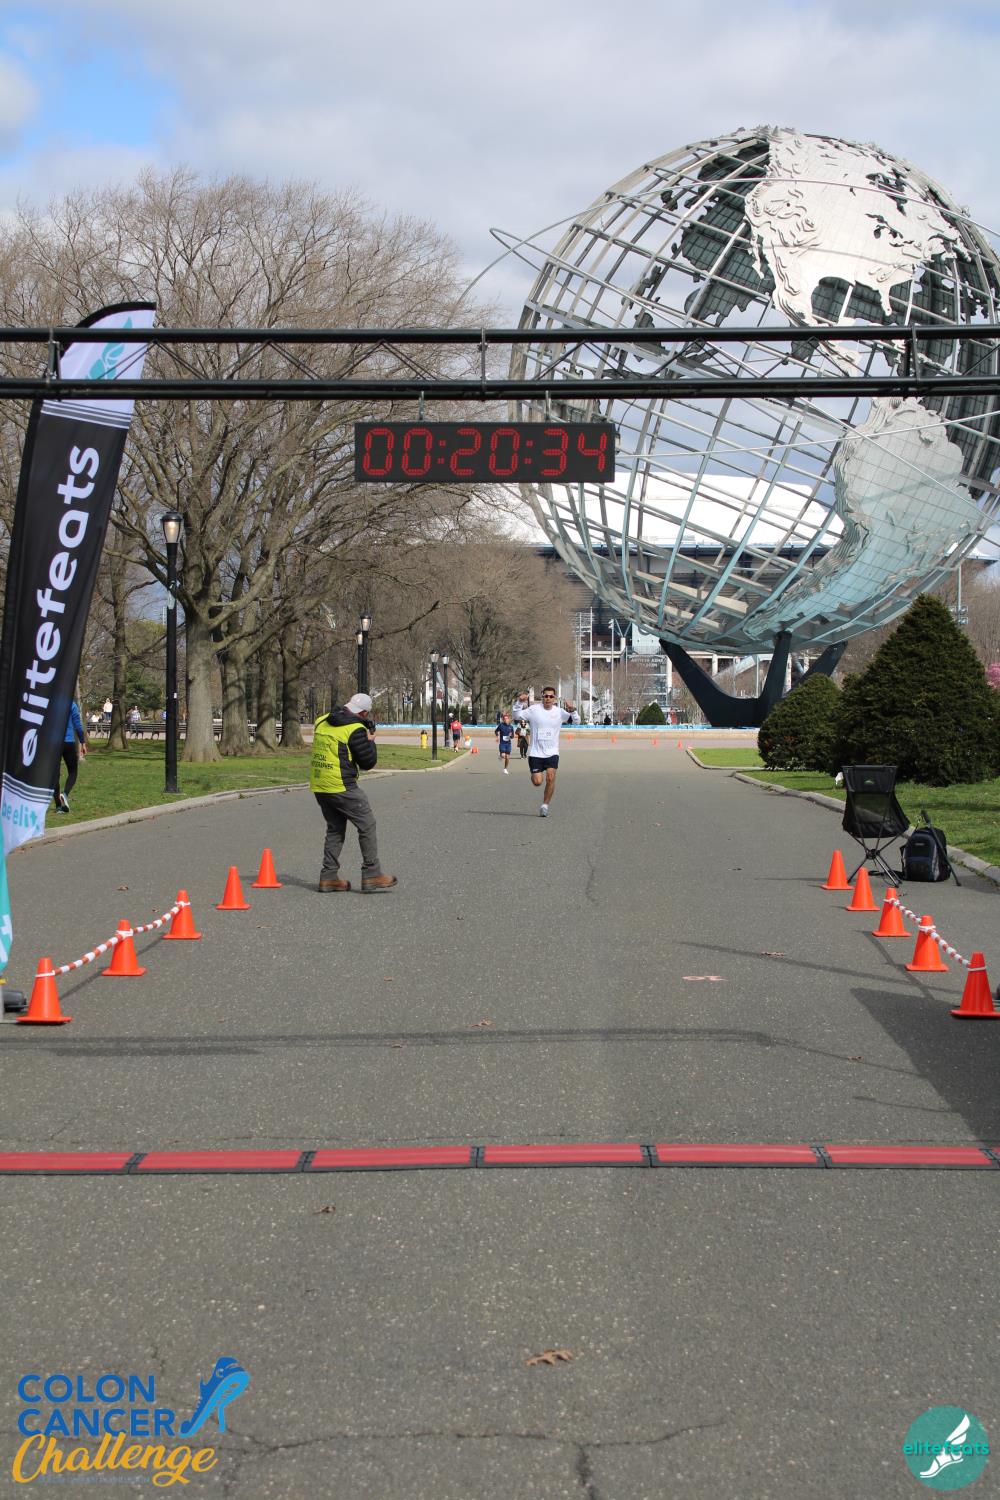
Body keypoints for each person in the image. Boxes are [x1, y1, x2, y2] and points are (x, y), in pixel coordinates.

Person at [309, 692, 397, 893]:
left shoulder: (322, 720)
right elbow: (367, 762)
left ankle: (328, 877)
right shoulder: (355, 729)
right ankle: (372, 873)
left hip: (320, 783)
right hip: (342, 785)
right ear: (364, 713)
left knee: (335, 828)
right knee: (367, 824)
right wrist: (370, 741)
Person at [512, 687, 579, 816]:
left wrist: (573, 711)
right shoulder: (533, 710)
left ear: (554, 699)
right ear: (542, 697)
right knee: (537, 782)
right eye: (546, 696)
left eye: (551, 696)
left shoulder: (559, 712)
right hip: (536, 753)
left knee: (551, 777)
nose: (548, 698)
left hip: (552, 752)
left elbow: (576, 721)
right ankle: (535, 775)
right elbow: (516, 715)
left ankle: (545, 805)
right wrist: (519, 702)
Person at [53, 699, 87, 813]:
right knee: (73, 772)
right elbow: (77, 725)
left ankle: (58, 807)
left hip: (54, 743)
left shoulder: (51, 702)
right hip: (68, 742)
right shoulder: (72, 704)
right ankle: (65, 794)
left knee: (55, 775)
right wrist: (83, 742)